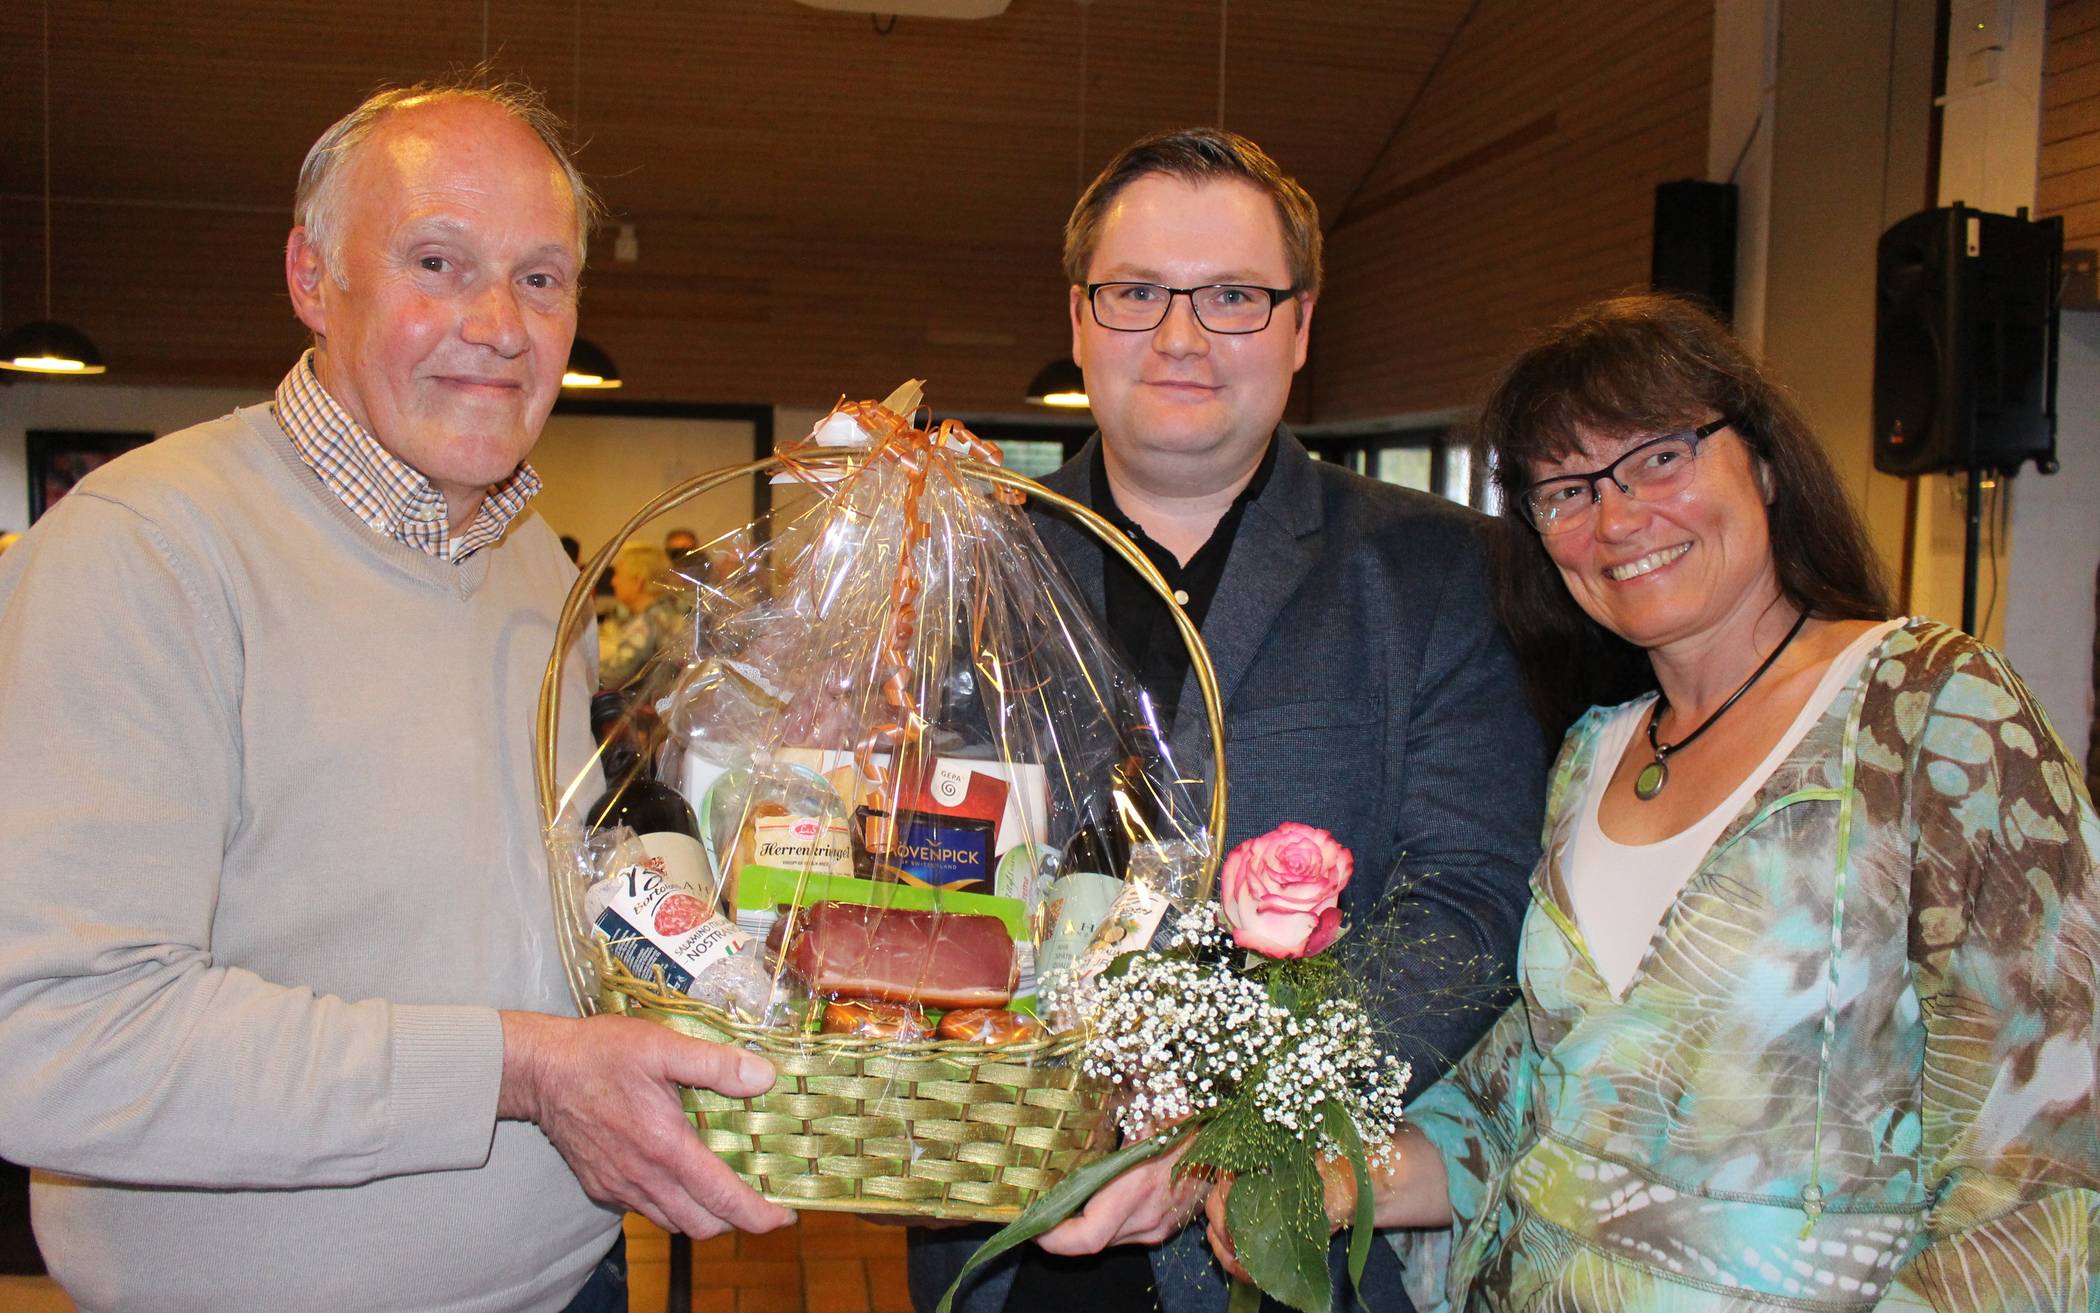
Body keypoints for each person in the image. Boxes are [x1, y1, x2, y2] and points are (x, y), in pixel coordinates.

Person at [0, 80, 792, 1313]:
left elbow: (509, 882)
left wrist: (715, 944)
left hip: (575, 1274)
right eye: (438, 261)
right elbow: (55, 1040)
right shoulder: (145, 548)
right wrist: (523, 1069)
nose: (501, 324)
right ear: (312, 279)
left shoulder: (532, 561)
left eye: (542, 278)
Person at [1205, 293, 2100, 1309]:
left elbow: (2053, 1148)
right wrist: (1326, 1174)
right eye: (1568, 489)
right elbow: (1525, 1103)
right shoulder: (1593, 751)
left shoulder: (1925, 708)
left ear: (1762, 460)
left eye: (1661, 458)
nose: (1618, 518)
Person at [910, 127, 1544, 1313]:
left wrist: (1225, 1122)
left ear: (1302, 324)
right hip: (1003, 1235)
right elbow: (905, 863)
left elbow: (1469, 901)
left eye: (1235, 296)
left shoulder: (1440, 575)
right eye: (1139, 292)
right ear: (1082, 318)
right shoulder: (967, 563)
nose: (1183, 335)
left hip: (1294, 1250)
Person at [598, 539, 687, 688]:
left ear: (638, 581)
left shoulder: (647, 623)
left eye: (618, 574)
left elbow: (610, 677)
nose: (613, 582)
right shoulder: (668, 612)